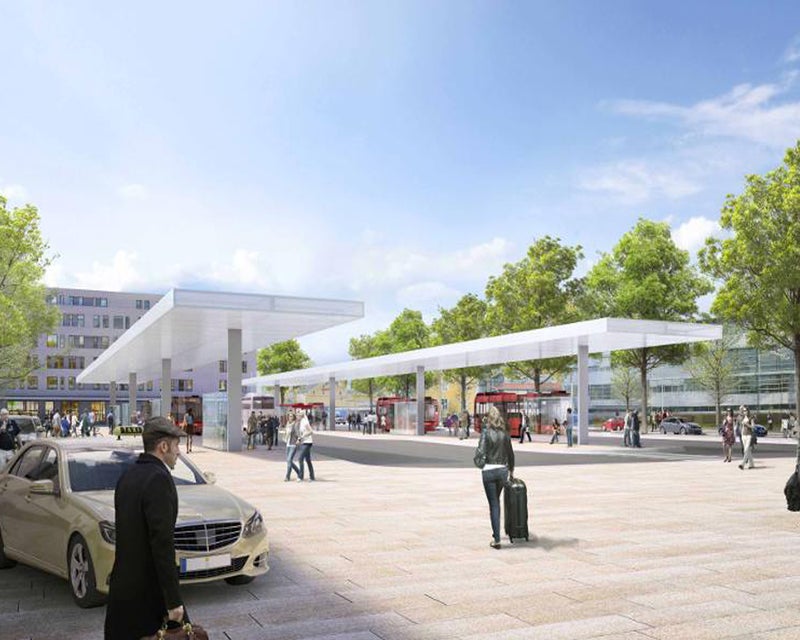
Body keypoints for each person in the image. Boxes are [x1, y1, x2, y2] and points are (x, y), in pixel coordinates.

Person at [104, 417, 186, 639]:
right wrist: (173, 601)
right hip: (149, 595)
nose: (179, 452)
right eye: (176, 445)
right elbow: (162, 544)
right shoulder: (159, 479)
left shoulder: (128, 476)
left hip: (123, 592)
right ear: (163, 446)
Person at [474, 406, 514, 549]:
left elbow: (481, 451)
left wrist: (480, 463)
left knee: (494, 504)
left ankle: (496, 538)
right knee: (497, 501)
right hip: (502, 471)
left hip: (489, 471)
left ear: (489, 418)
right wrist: (511, 470)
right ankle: (497, 535)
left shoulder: (486, 432)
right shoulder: (505, 433)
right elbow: (510, 453)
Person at [296, 410, 315, 481]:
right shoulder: (301, 422)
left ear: (301, 415)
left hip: (308, 442)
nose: (297, 416)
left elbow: (311, 431)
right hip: (304, 442)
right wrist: (299, 439)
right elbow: (301, 434)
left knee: (300, 459)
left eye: (298, 415)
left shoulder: (305, 421)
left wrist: (303, 436)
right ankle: (312, 477)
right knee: (308, 460)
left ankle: (300, 476)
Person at [284, 410, 302, 481]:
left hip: (293, 444)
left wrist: (299, 440)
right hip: (288, 444)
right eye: (289, 416)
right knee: (289, 461)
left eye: (291, 416)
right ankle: (299, 473)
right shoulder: (288, 424)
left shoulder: (295, 424)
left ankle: (287, 476)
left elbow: (299, 434)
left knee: (289, 460)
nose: (289, 417)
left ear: (293, 417)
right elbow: (286, 433)